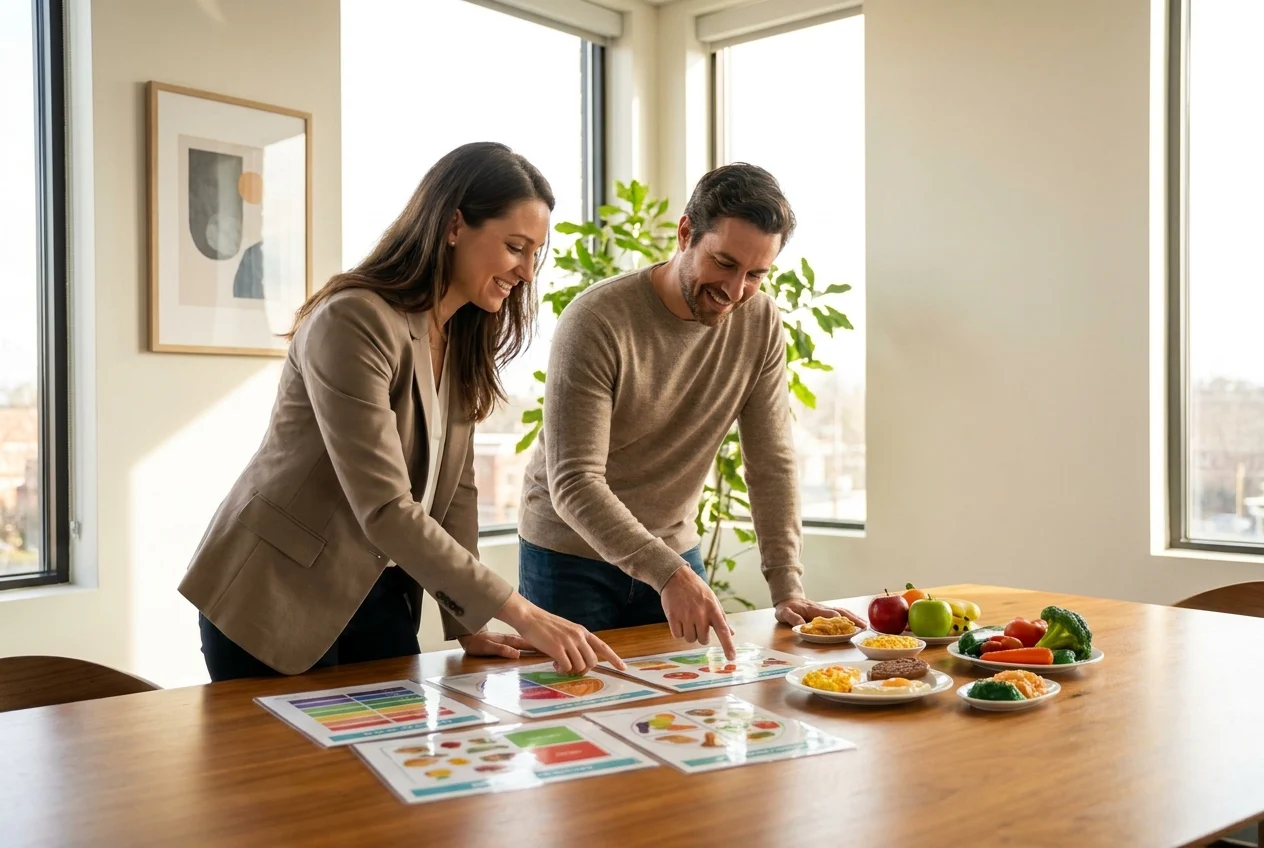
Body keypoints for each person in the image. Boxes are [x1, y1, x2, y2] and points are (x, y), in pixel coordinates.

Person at [179, 142, 625, 682]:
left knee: (392, 762)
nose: (528, 271)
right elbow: (386, 506)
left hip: (381, 594)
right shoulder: (354, 320)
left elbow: (456, 492)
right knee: (287, 768)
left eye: (536, 253)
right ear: (454, 225)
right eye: (515, 247)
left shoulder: (460, 337)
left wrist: (469, 623)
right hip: (274, 593)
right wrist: (524, 612)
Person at [516, 163, 867, 659]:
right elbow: (574, 482)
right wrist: (670, 573)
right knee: (576, 716)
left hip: (673, 547)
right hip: (570, 556)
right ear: (685, 233)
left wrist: (788, 588)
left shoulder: (760, 322)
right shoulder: (597, 320)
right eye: (724, 263)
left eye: (756, 274)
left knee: (690, 719)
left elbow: (771, 462)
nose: (735, 289)